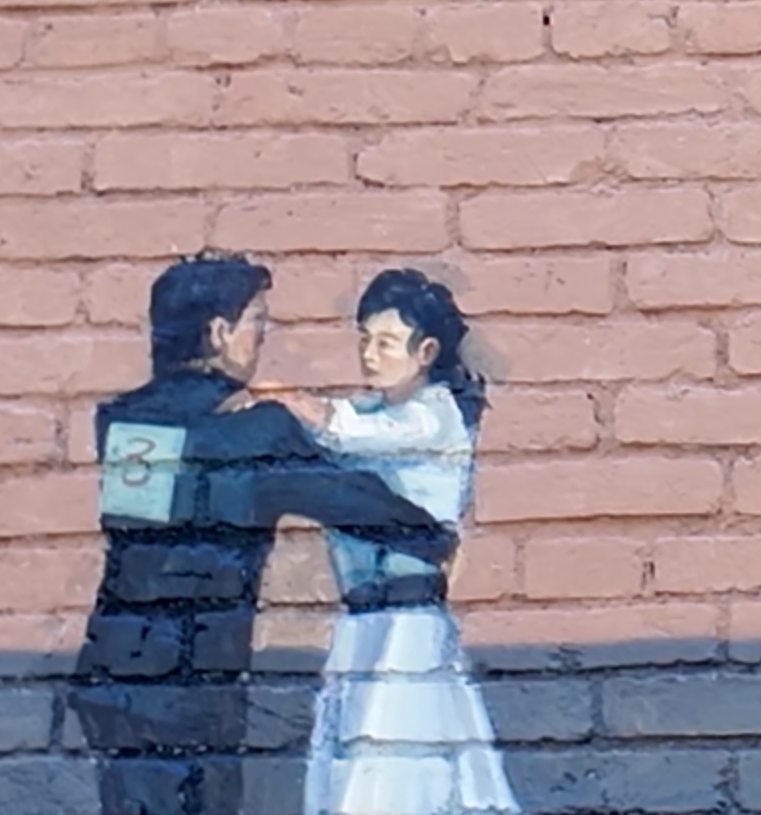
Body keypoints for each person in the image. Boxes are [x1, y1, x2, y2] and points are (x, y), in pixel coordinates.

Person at [68, 255, 463, 815]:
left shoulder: (123, 421)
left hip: (112, 670)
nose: (262, 336)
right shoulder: (259, 430)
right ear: (219, 332)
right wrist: (434, 537)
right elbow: (356, 503)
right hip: (199, 679)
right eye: (256, 321)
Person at [282, 269, 518, 815]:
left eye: (385, 343)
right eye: (364, 340)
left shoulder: (436, 416)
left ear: (425, 351)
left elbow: (346, 431)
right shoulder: (371, 410)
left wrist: (285, 402)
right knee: (357, 765)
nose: (369, 355)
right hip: (363, 625)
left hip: (407, 627)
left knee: (393, 770)